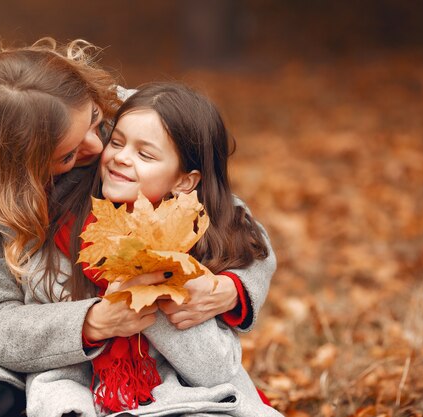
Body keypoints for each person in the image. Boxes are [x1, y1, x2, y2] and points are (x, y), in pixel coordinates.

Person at [0, 39, 275, 417]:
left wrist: (228, 289)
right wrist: (95, 321)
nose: (99, 148)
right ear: (22, 169)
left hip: (146, 352)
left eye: (95, 123)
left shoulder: (128, 120)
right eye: (69, 154)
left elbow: (225, 216)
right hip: (27, 333)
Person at [23, 82, 282, 417]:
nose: (120, 158)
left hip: (197, 402)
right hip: (101, 404)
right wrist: (68, 408)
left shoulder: (200, 242)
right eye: (116, 142)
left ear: (184, 181)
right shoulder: (62, 239)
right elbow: (54, 370)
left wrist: (155, 291)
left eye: (145, 155)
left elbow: (215, 369)